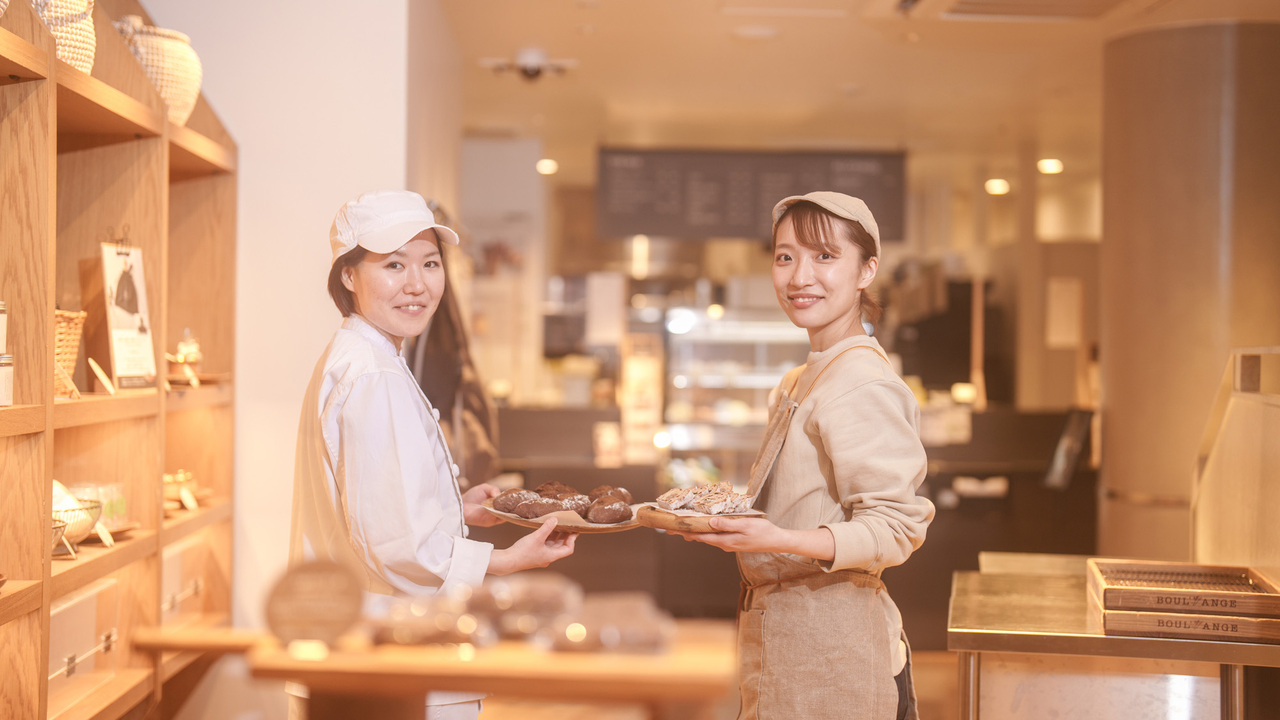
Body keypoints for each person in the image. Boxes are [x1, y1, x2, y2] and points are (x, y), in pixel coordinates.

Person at [289, 189, 577, 720]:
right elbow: (400, 547)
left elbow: (372, 508)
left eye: (429, 263)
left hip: (369, 657)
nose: (417, 285)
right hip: (392, 665)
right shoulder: (373, 374)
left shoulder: (364, 356)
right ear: (348, 275)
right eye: (394, 264)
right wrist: (507, 562)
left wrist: (452, 506)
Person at [673, 192, 934, 720]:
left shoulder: (861, 382)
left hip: (838, 655)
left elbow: (897, 527)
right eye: (785, 256)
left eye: (825, 257)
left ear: (867, 270)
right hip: (790, 642)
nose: (799, 277)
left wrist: (778, 539)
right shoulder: (803, 375)